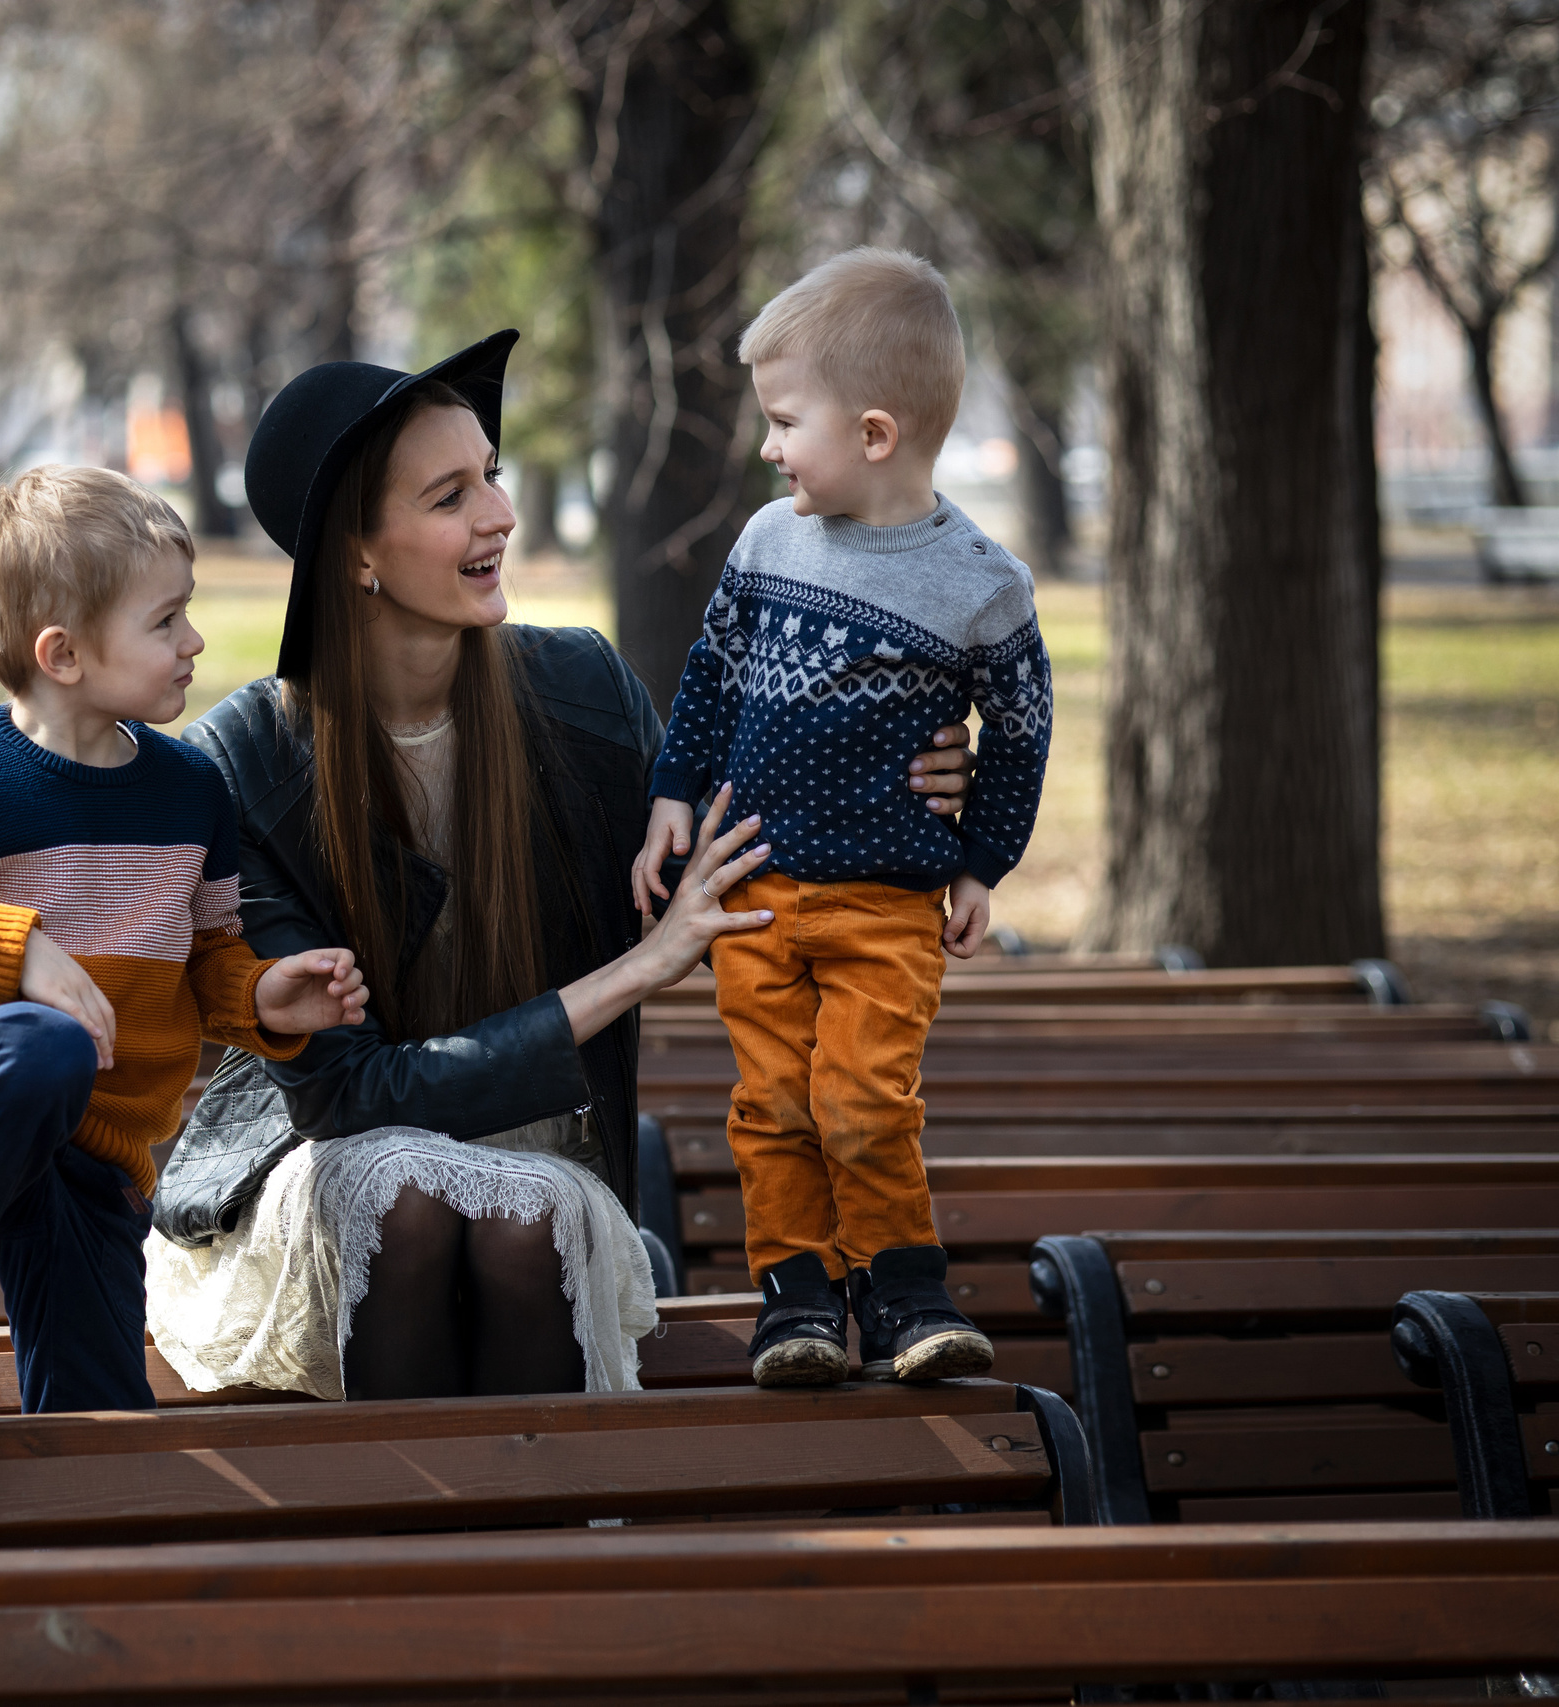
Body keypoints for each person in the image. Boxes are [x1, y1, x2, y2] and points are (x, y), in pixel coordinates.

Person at [145, 329, 979, 1404]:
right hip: (322, 1178)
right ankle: (401, 1554)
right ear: (355, 552)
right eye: (448, 497)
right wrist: (637, 970)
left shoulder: (578, 690)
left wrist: (913, 765)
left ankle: (537, 1554)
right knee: (407, 1198)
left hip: (538, 1173)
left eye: (489, 476)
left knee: (519, 1213)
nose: (498, 514)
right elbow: (350, 1094)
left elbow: (755, 839)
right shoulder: (246, 764)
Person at [0, 465, 369, 1434]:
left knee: (103, 1429)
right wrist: (9, 953)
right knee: (40, 1044)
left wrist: (263, 999)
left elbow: (202, 960)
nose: (194, 642)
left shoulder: (190, 795)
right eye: (164, 621)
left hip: (93, 1159)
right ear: (63, 655)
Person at [634, 248, 1053, 1389]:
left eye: (784, 421)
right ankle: (797, 1304)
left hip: (885, 903)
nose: (767, 447)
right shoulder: (768, 544)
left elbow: (1020, 724)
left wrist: (982, 860)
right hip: (756, 892)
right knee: (770, 1105)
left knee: (864, 1100)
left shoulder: (979, 581)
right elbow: (713, 675)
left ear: (874, 433)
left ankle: (906, 1294)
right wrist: (672, 793)